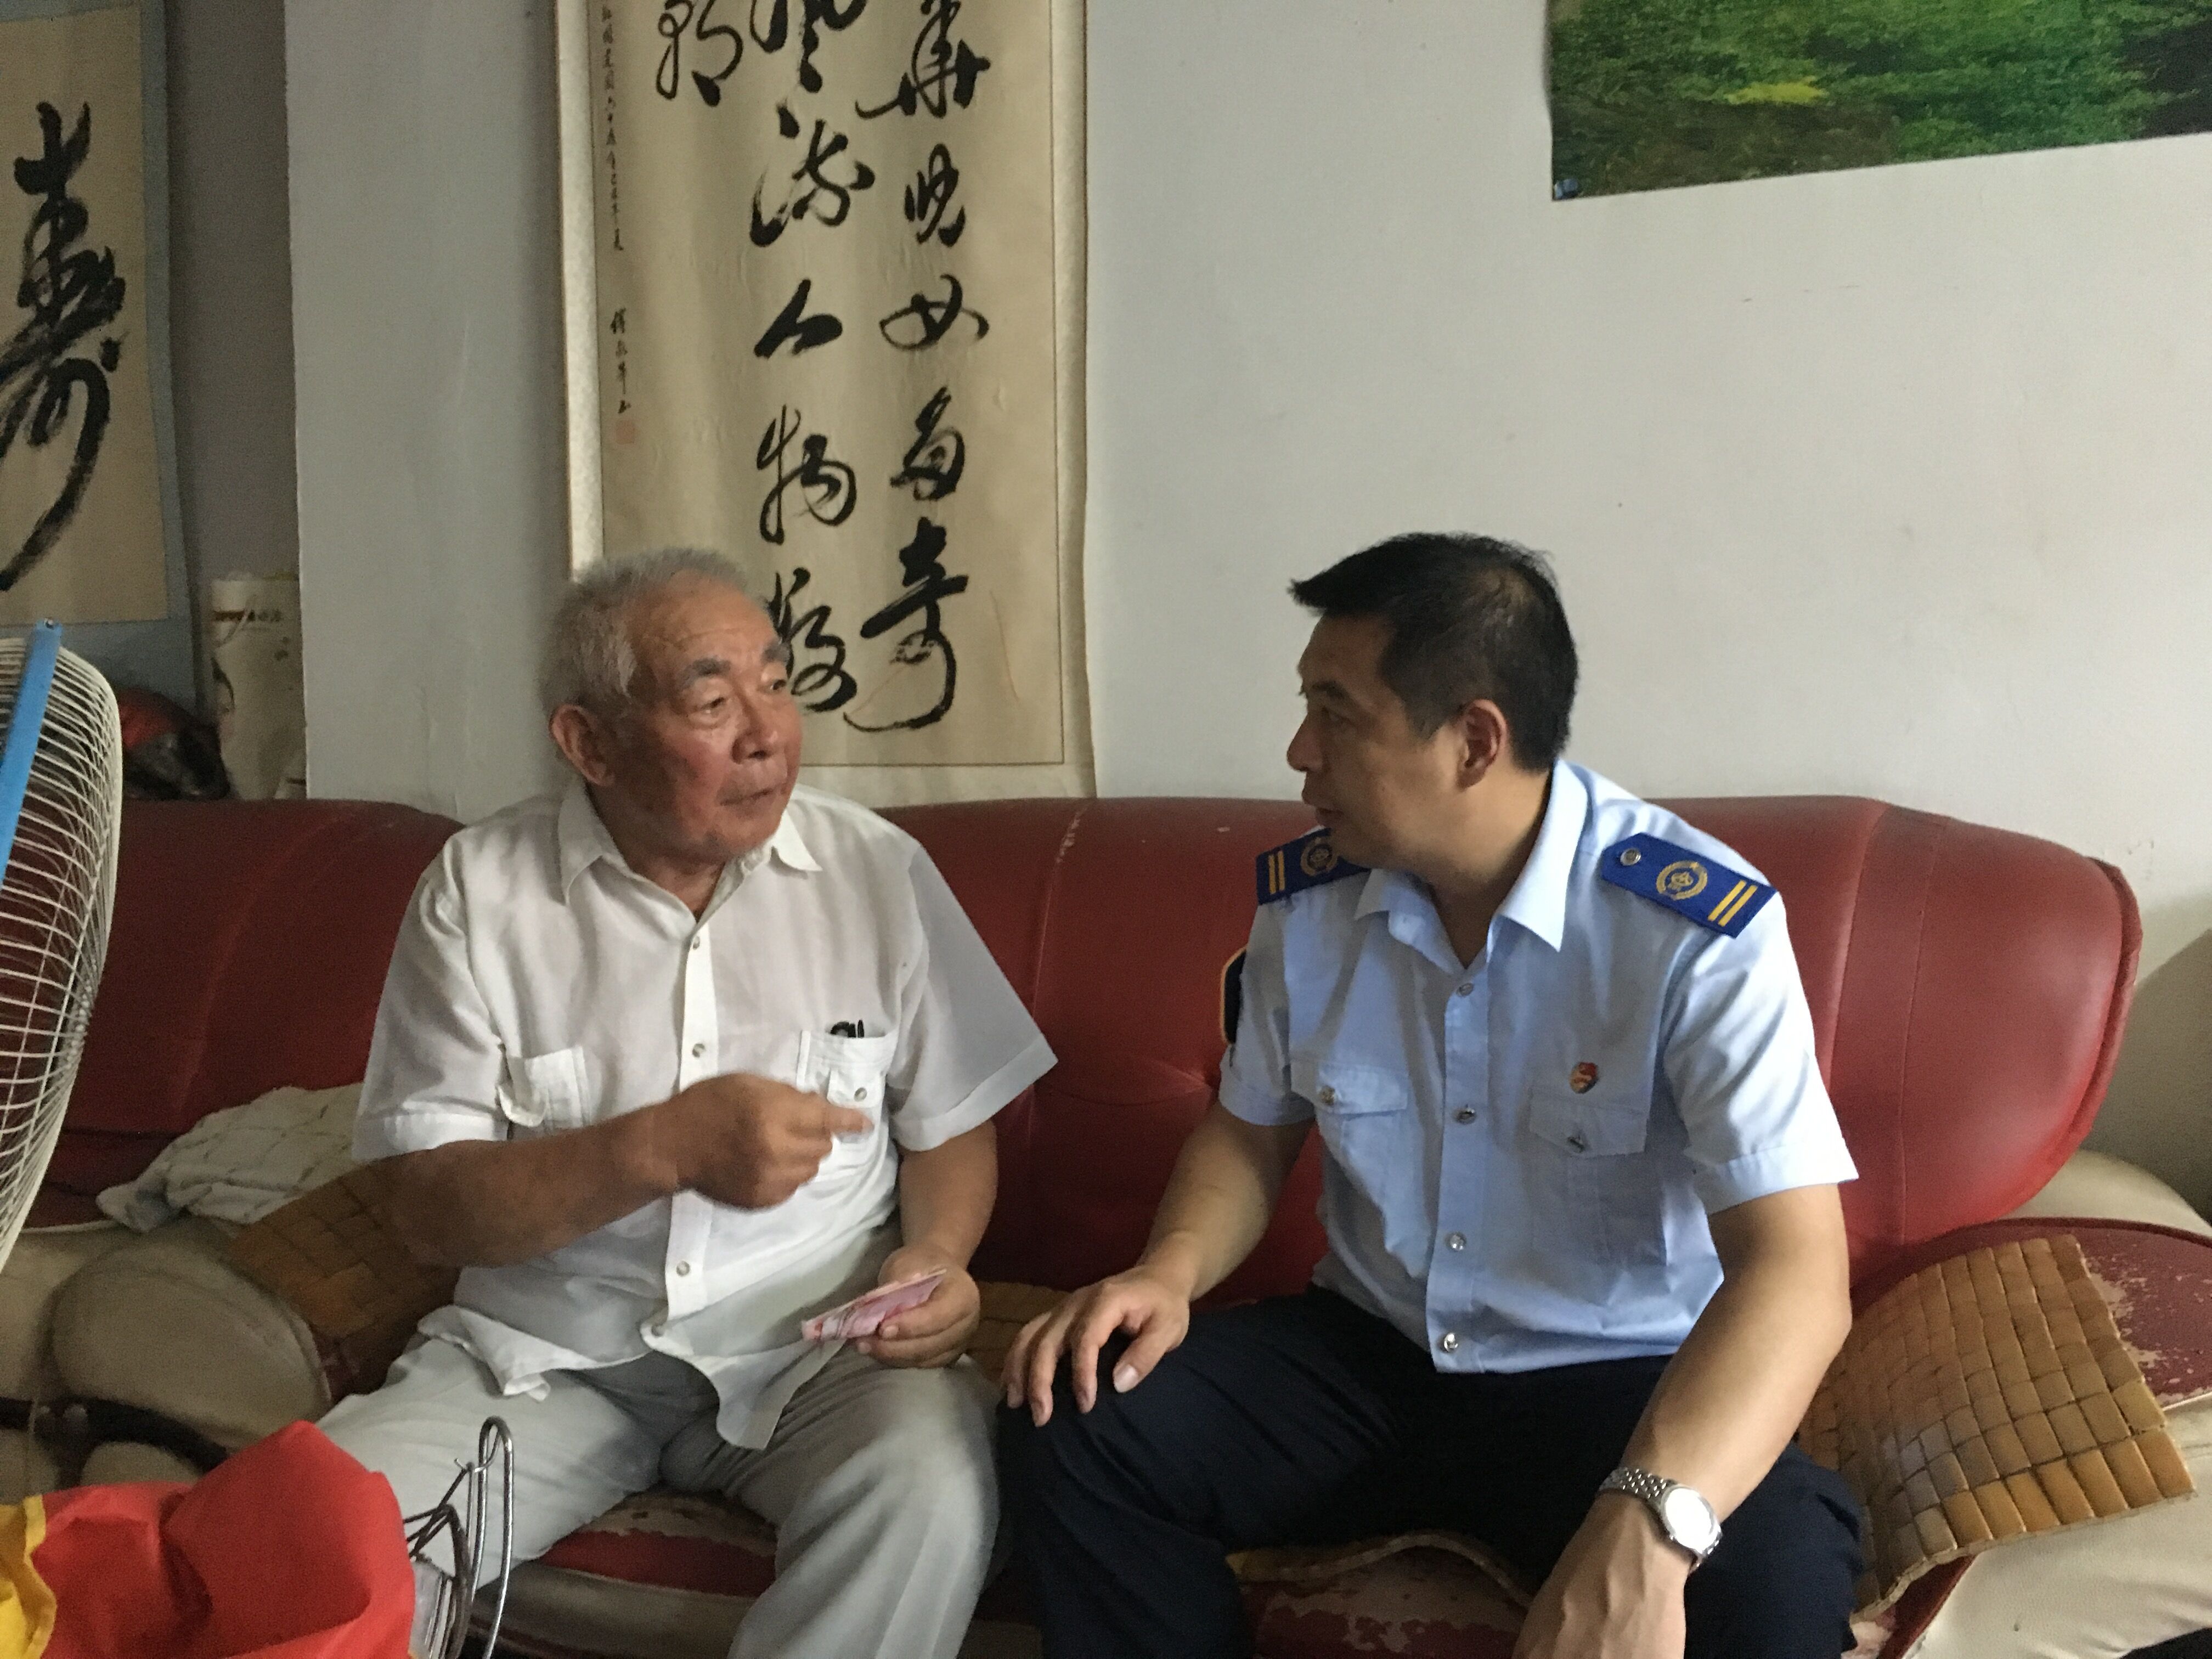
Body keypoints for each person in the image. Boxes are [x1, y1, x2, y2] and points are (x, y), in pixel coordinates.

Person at [998, 533, 1865, 1659]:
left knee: (1779, 1566)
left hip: (1614, 1385)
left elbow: (1798, 1275)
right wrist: (1168, 1273)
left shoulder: (1693, 931)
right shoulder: (1311, 903)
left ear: (1474, 741)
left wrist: (1651, 1522)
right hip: (1372, 1358)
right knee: (1075, 1421)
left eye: (1336, 714)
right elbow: (1248, 1135)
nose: (1299, 752)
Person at [321, 549, 1053, 1659]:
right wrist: (659, 1148)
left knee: (933, 1489)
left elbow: (950, 1123)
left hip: (814, 1352)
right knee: (328, 1533)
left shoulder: (877, 872)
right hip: (547, 1358)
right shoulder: (480, 892)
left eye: (778, 684)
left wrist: (939, 1258)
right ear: (591, 744)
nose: (769, 734)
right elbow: (428, 1207)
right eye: (713, 703)